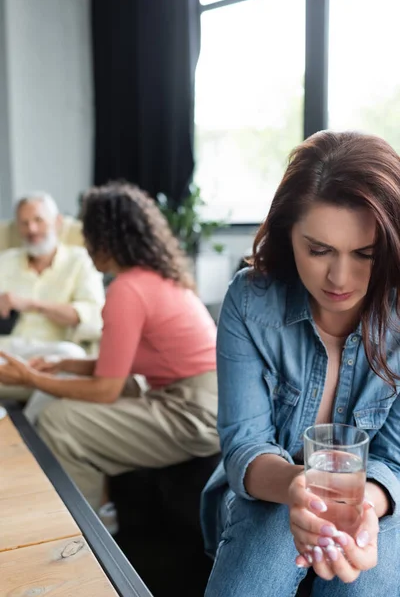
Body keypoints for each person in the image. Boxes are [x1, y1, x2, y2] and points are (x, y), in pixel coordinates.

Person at [200, 131, 400, 596]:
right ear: (288, 233)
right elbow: (245, 444)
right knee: (269, 540)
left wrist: (359, 509)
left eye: (365, 255)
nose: (339, 278)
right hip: (273, 487)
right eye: (319, 249)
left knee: (362, 576)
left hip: (376, 496)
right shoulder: (251, 302)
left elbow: (394, 460)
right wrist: (302, 489)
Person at [0, 182, 219, 512]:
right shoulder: (155, 276)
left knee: (59, 421)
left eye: (89, 233)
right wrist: (62, 365)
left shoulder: (127, 290)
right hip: (197, 397)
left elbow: (104, 389)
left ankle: (89, 528)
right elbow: (117, 365)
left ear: (107, 237)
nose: (85, 243)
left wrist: (30, 378)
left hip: (194, 411)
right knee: (79, 386)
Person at [0, 191, 104, 365]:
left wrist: (32, 305)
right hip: (6, 347)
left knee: (72, 355)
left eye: (38, 220)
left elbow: (92, 314)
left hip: (53, 348)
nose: (31, 229)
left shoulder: (80, 261)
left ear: (57, 222)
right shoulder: (5, 261)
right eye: (24, 223)